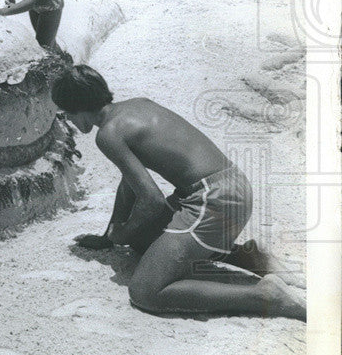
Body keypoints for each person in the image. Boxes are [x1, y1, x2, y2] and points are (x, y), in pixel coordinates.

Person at [51, 65, 306, 320]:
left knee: (146, 291)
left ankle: (266, 297)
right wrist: (109, 236)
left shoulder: (108, 134)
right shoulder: (137, 104)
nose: (70, 121)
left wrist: (124, 232)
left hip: (213, 200)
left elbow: (152, 200)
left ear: (79, 108)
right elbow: (129, 181)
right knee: (143, 239)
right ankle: (250, 258)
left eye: (67, 114)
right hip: (232, 186)